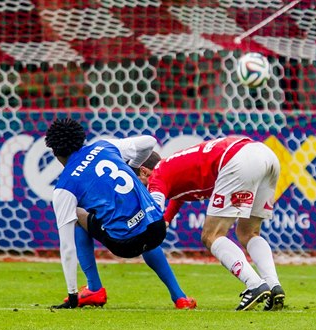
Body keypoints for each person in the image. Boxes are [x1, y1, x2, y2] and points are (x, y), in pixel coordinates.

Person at [45, 118, 196, 309]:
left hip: (125, 244)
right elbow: (149, 141)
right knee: (140, 218)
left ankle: (94, 289)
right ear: (81, 139)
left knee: (75, 216)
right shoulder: (104, 146)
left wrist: (72, 294)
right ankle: (180, 297)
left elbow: (67, 247)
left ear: (54, 152)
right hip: (157, 227)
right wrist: (133, 169)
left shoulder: (64, 187)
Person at [135, 136, 285, 311]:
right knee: (249, 233)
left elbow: (153, 210)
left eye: (136, 181)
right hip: (266, 155)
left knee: (211, 236)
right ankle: (274, 286)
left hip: (238, 159)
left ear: (144, 171)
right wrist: (167, 219)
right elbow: (177, 198)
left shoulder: (156, 176)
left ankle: (254, 285)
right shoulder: (170, 168)